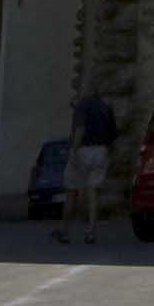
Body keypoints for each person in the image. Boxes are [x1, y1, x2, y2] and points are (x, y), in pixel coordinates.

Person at [58, 91, 117, 244]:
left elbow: (80, 129)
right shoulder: (105, 107)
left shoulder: (82, 105)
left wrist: (73, 151)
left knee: (71, 190)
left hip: (83, 150)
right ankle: (91, 232)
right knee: (93, 192)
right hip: (101, 150)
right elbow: (112, 135)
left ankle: (64, 231)